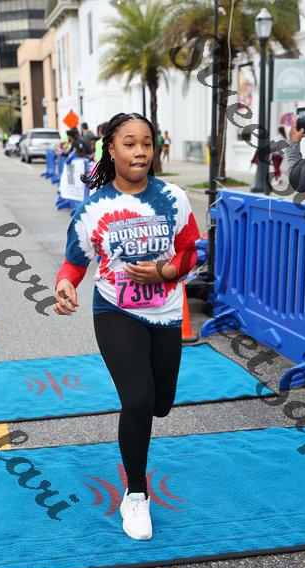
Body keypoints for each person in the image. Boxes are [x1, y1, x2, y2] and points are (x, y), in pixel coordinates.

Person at [54, 112, 200, 541]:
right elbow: (74, 262)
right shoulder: (93, 209)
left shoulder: (173, 198)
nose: (140, 152)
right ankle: (136, 495)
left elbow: (192, 251)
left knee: (160, 403)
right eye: (130, 143)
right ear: (112, 149)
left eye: (147, 144)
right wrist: (65, 284)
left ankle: (144, 427)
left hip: (166, 313)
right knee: (137, 399)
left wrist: (166, 271)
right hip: (115, 311)